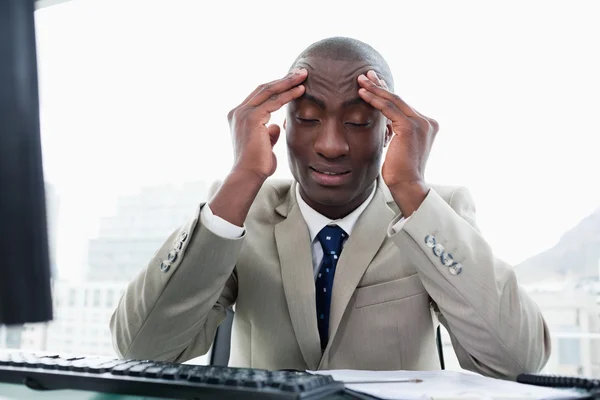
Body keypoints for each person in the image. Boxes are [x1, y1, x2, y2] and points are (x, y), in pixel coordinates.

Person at [110, 37, 550, 379]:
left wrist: (412, 189)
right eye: (307, 118)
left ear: (388, 133)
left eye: (359, 122)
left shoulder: (434, 212)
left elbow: (516, 362)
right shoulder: (243, 212)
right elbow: (143, 350)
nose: (331, 145)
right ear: (283, 125)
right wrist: (240, 179)